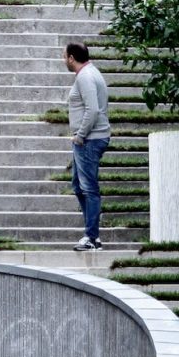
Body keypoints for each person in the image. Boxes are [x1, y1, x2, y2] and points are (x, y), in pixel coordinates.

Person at [64, 41, 109, 252]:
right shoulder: (90, 73)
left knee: (89, 188)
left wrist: (80, 136)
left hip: (89, 139)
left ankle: (92, 237)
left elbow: (92, 110)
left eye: (64, 56)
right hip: (88, 139)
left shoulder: (85, 77)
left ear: (71, 58)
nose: (64, 60)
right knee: (78, 186)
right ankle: (92, 233)